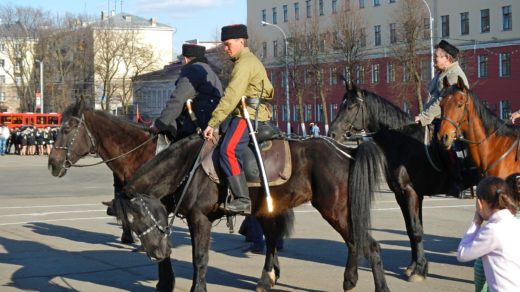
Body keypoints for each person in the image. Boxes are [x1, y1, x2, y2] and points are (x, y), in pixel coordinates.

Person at [203, 24, 274, 214]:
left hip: (248, 116)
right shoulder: (245, 61)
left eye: (228, 44)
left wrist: (213, 122)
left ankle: (243, 199)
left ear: (240, 41)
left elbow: (232, 95)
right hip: (245, 112)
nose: (226, 49)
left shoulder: (244, 63)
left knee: (228, 150)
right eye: (224, 45)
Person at [457, 176, 520, 292]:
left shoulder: (492, 230)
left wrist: (476, 222)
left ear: (480, 203)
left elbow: (462, 254)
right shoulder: (515, 223)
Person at [151, 43, 223, 140]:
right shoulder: (211, 72)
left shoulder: (192, 70)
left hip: (195, 124)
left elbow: (177, 100)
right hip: (214, 121)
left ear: (185, 59)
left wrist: (160, 124)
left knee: (172, 152)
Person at [415, 40, 469, 126]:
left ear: (447, 58)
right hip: (436, 122)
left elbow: (444, 100)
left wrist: (424, 117)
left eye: (436, 56)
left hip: (446, 125)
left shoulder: (454, 75)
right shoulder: (442, 73)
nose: (433, 59)